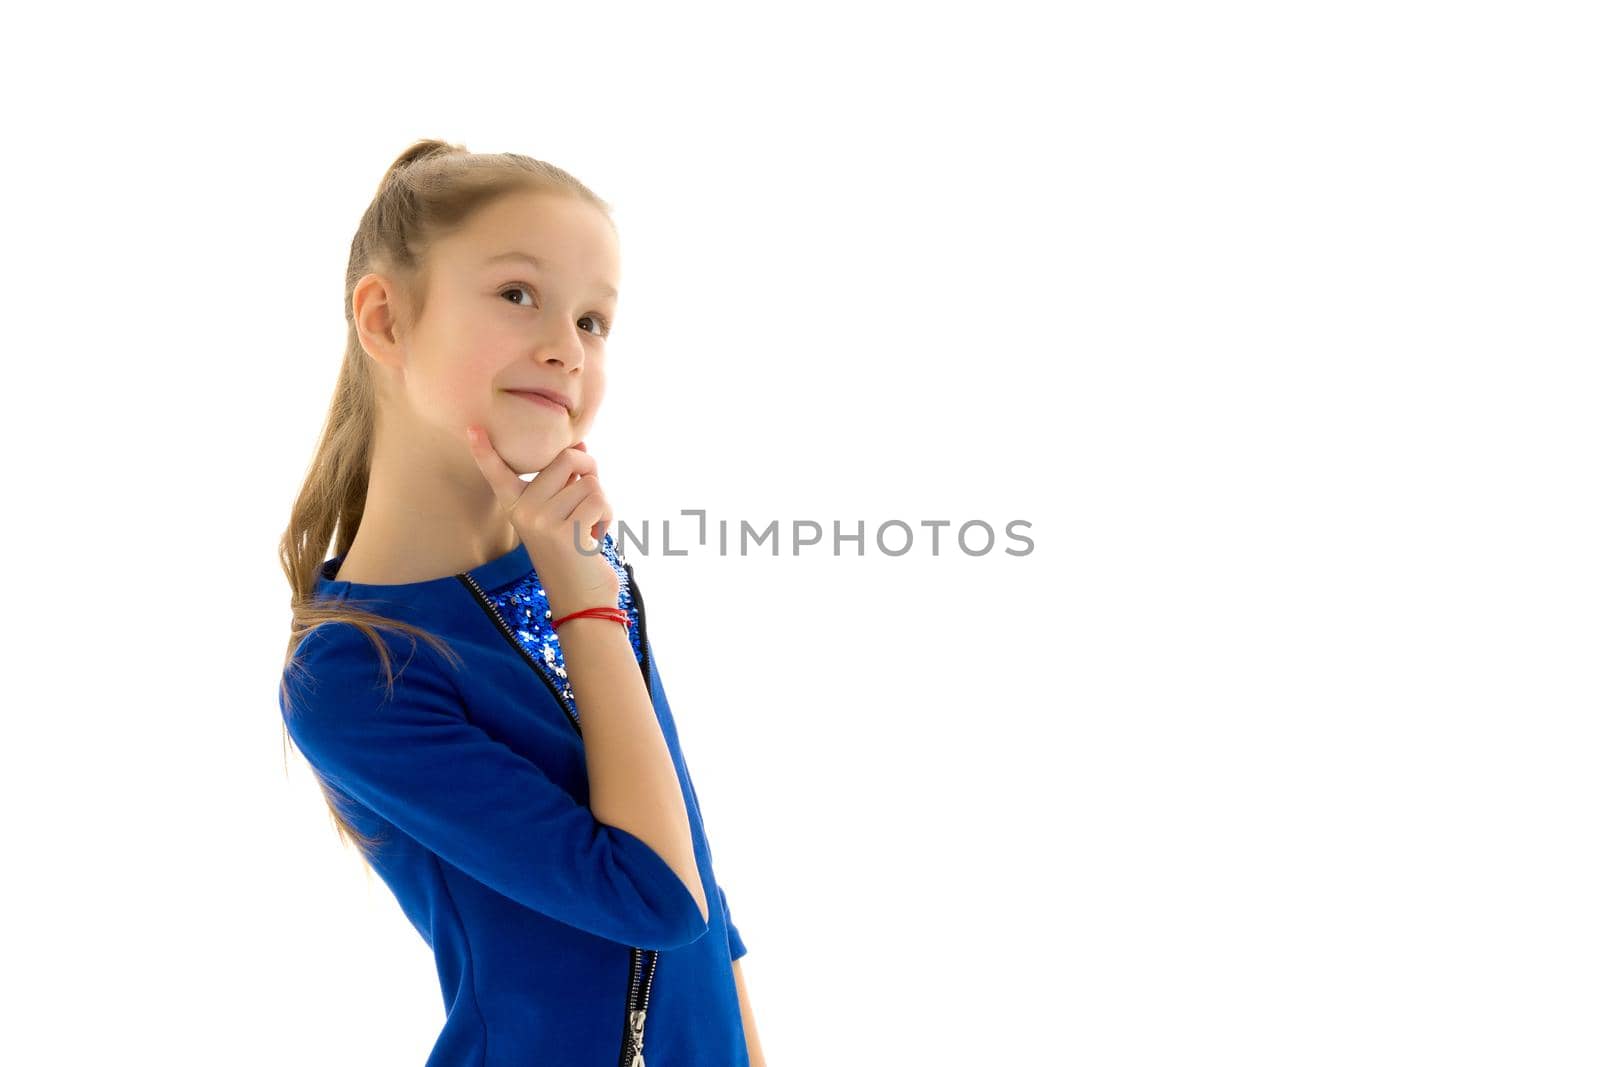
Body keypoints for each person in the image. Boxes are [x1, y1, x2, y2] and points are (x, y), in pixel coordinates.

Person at [276, 139, 765, 1066]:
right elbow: (655, 895)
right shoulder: (354, 670)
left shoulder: (578, 562)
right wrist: (585, 604)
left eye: (593, 320)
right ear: (386, 320)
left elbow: (690, 856)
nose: (564, 347)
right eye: (517, 295)